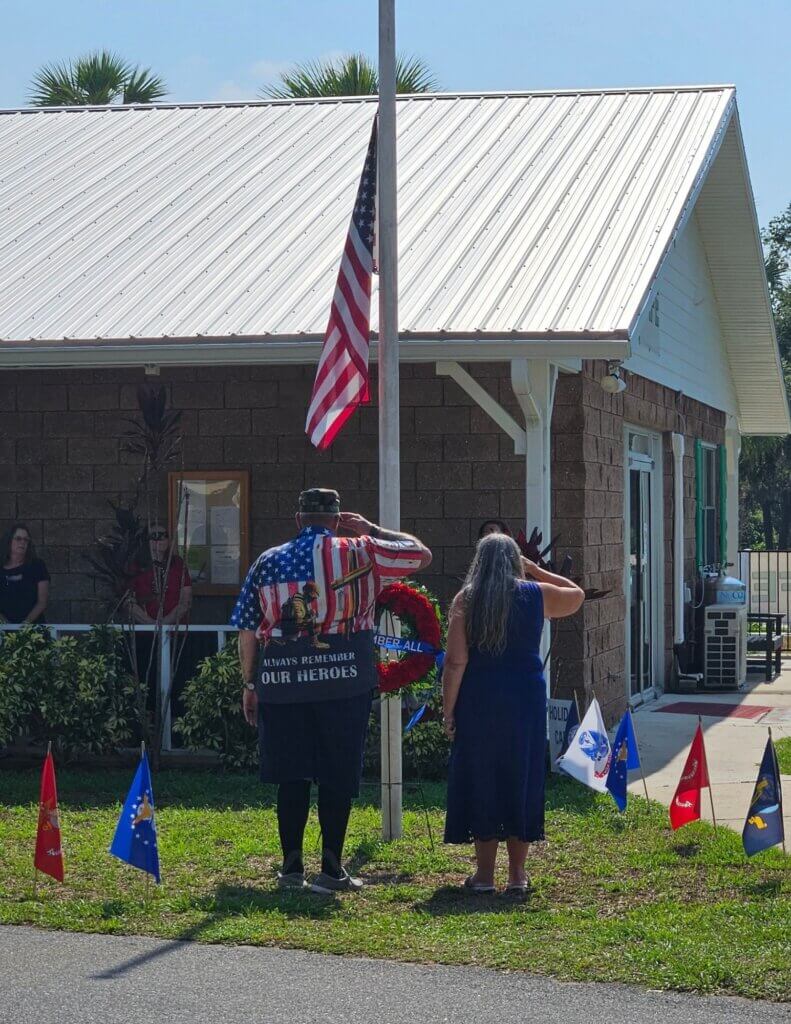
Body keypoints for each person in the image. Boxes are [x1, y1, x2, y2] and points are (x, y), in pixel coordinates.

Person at [233, 488, 432, 894]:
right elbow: (420, 553)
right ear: (339, 519)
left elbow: (248, 629)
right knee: (337, 774)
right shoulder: (362, 550)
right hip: (345, 683)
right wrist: (372, 528)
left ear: (298, 519)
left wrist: (250, 683)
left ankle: (290, 868)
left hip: (284, 682)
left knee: (292, 774)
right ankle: (332, 868)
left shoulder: (267, 560)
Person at [442, 532, 584, 894]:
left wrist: (448, 711)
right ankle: (518, 875)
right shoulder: (535, 595)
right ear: (514, 561)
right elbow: (577, 595)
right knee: (521, 775)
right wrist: (536, 570)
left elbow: (456, 662)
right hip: (525, 698)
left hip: (479, 699)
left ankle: (485, 876)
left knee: (484, 776)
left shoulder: (466, 600)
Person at [129, 525, 192, 626]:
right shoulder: (136, 566)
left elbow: (186, 600)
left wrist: (164, 623)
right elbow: (128, 602)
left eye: (164, 536)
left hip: (175, 631)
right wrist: (151, 624)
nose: (159, 540)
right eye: (153, 536)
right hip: (144, 631)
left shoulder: (177, 564)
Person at [0, 523, 50, 624]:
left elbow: (42, 602)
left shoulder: (37, 566)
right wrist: (6, 625)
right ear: (9, 540)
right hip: (4, 630)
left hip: (33, 630)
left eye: (26, 539)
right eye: (18, 538)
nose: (22, 542)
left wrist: (25, 625)